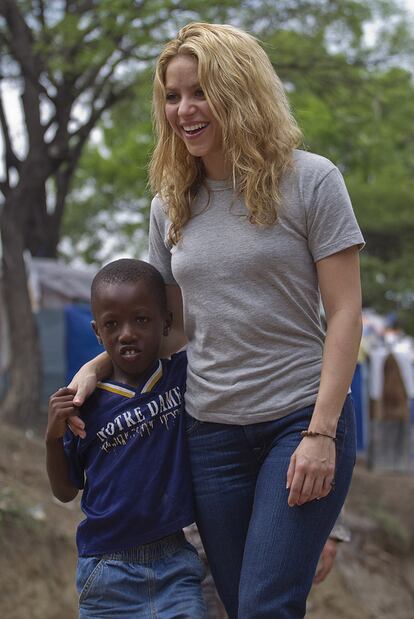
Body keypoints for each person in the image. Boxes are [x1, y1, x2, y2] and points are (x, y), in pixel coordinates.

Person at [69, 22, 364, 619]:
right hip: (210, 434)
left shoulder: (311, 180)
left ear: (240, 89)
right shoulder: (170, 204)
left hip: (298, 419)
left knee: (264, 605)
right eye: (173, 97)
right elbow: (170, 330)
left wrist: (321, 432)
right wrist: (95, 368)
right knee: (234, 604)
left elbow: (346, 311)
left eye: (200, 91)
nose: (184, 110)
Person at [45, 259, 206, 618]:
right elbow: (65, 491)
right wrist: (51, 439)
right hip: (107, 571)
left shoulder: (180, 378)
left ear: (166, 323)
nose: (127, 333)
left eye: (142, 319)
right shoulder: (83, 404)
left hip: (175, 563)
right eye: (112, 324)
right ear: (96, 332)